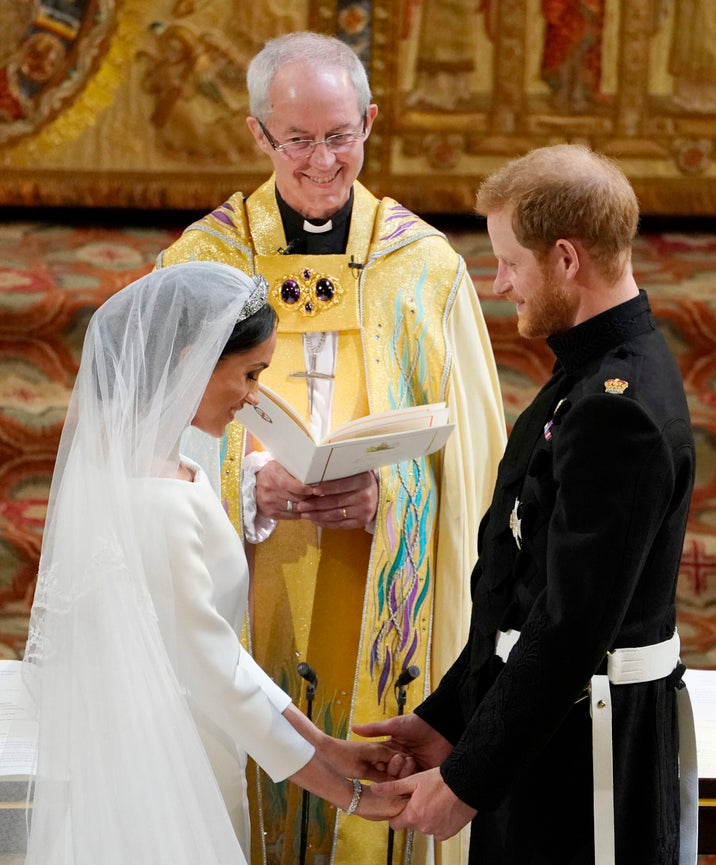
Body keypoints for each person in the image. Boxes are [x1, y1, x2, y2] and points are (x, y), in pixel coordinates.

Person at [157, 30, 507, 865]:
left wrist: (394, 499)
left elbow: (480, 467)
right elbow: (146, 443)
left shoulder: (424, 268)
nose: (323, 160)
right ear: (258, 136)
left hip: (383, 585)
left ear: (371, 122)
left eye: (341, 135)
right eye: (300, 139)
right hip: (243, 574)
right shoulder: (200, 265)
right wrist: (248, 488)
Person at [358, 144, 697, 865]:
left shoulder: (618, 410)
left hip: (587, 752)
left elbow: (570, 628)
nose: (500, 280)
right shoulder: (588, 371)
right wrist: (450, 718)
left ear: (566, 259)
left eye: (511, 259)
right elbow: (520, 589)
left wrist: (467, 780)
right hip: (549, 730)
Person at [21, 262, 408, 865]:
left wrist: (328, 746)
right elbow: (213, 673)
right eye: (250, 375)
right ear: (188, 360)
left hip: (191, 749)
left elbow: (220, 652)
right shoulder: (154, 497)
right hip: (164, 777)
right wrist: (349, 796)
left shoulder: (167, 465)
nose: (255, 397)